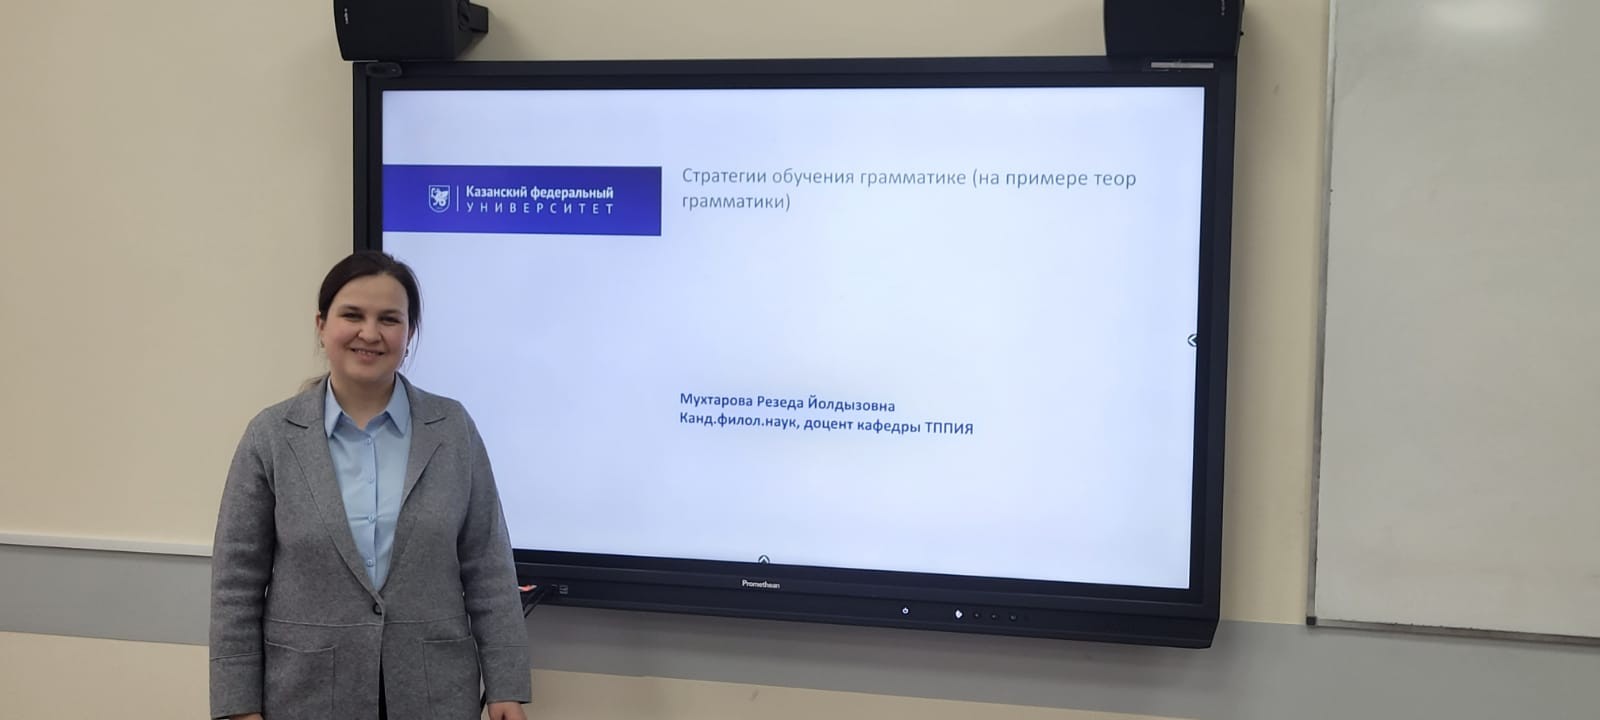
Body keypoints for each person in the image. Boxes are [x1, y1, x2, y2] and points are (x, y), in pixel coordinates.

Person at [208, 251, 531, 720]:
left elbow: (489, 567)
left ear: (409, 333)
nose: (370, 333)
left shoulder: (452, 429)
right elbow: (235, 584)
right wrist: (237, 705)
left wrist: (506, 686)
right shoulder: (272, 436)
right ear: (322, 325)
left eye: (389, 319)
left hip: (433, 692)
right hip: (305, 693)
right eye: (352, 315)